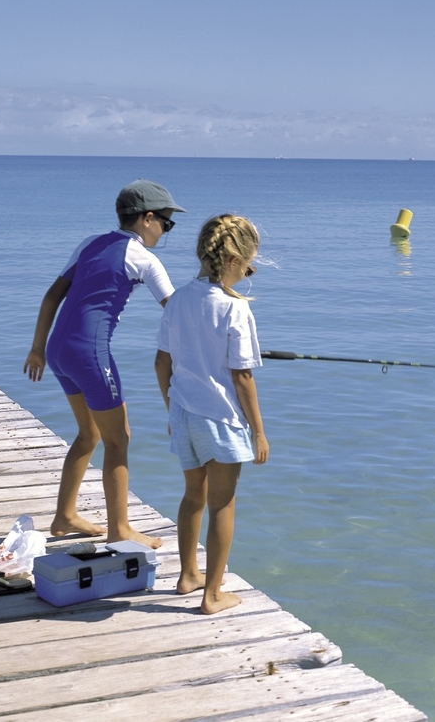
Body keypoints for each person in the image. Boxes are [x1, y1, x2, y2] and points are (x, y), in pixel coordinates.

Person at [23, 179, 185, 550]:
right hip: (89, 353)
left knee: (89, 433)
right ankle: (120, 529)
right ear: (147, 218)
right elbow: (178, 312)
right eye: (167, 222)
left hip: (59, 349)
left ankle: (65, 516)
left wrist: (37, 349)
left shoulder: (90, 243)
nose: (166, 230)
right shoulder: (143, 258)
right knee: (118, 439)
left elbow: (52, 296)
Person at [155, 214, 269, 614]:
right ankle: (213, 595)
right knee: (223, 504)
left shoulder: (178, 299)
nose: (249, 272)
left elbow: (162, 363)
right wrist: (258, 432)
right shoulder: (235, 309)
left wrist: (173, 409)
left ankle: (188, 575)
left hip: (184, 413)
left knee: (193, 496)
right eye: (248, 264)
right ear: (235, 260)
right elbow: (242, 377)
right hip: (221, 419)